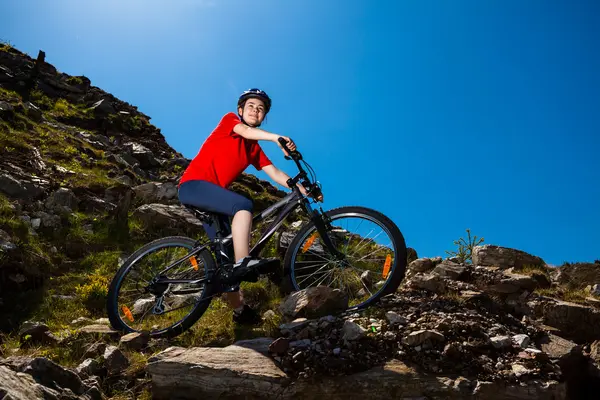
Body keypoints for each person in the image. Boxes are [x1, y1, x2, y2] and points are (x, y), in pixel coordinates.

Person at [177, 88, 315, 324]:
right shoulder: (230, 120)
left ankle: (239, 310)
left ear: (263, 117)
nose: (256, 110)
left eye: (260, 109)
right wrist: (275, 138)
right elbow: (244, 131)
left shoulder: (253, 149)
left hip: (213, 202)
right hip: (193, 185)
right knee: (243, 205)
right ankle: (246, 261)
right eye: (251, 106)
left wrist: (300, 188)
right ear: (241, 110)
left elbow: (274, 172)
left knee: (226, 264)